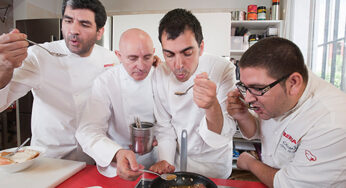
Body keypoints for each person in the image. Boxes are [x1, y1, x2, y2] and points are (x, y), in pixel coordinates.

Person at [0, 0, 117, 164]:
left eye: (84, 24)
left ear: (100, 32)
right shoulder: (38, 56)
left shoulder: (110, 58)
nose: (73, 30)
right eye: (68, 21)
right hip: (50, 160)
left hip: (94, 158)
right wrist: (4, 67)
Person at [227, 37, 346, 187]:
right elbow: (256, 131)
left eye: (257, 88)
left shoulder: (331, 123)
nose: (248, 98)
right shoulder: (276, 93)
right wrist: (243, 115)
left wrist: (250, 163)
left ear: (294, 83)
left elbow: (288, 184)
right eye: (244, 87)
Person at [149, 8, 237, 179]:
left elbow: (226, 129)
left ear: (201, 47)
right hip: (176, 159)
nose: (178, 64)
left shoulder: (222, 69)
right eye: (169, 55)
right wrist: (166, 163)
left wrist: (211, 106)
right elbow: (164, 126)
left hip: (213, 162)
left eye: (187, 53)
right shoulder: (160, 74)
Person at [76, 28, 158, 180]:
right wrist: (117, 153)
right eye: (132, 58)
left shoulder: (161, 76)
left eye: (147, 57)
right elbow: (87, 131)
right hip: (116, 166)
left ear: (154, 53)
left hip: (155, 164)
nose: (141, 66)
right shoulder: (106, 81)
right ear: (119, 56)